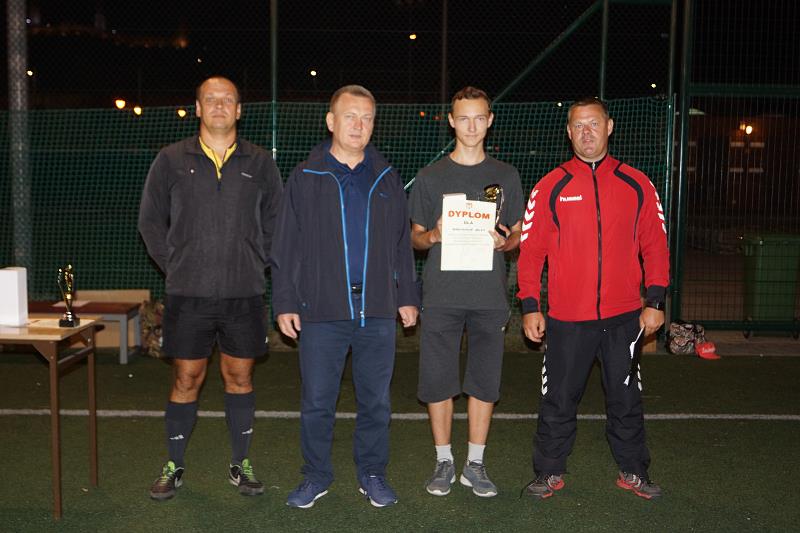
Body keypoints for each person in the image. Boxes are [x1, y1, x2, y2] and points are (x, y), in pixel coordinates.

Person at [270, 85, 419, 509]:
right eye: (350, 116)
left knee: (376, 402)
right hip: (321, 310)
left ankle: (372, 473)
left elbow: (401, 245)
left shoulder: (387, 177)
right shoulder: (305, 176)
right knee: (318, 402)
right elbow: (285, 246)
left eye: (367, 117)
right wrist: (285, 301)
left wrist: (407, 295)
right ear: (331, 121)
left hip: (377, 311)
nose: (359, 125)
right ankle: (315, 475)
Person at [517, 97, 670, 500]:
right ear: (569, 132)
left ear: (609, 127)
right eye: (579, 126)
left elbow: (655, 245)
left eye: (594, 124)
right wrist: (530, 306)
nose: (587, 133)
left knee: (626, 398)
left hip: (624, 318)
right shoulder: (550, 186)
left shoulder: (637, 183)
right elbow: (531, 253)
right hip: (568, 319)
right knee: (557, 399)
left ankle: (633, 470)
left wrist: (655, 300)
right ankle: (549, 471)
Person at [138, 76, 283, 500]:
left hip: (244, 293)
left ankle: (241, 463)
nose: (219, 105)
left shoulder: (260, 162)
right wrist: (177, 266)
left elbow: (277, 223)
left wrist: (256, 262)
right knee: (186, 378)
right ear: (198, 108)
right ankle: (174, 464)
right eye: (211, 99)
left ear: (239, 110)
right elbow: (150, 221)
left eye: (228, 99)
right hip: (188, 295)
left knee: (240, 376)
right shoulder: (170, 159)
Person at [408, 87, 524, 498]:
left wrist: (505, 243)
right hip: (442, 295)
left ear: (489, 120)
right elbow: (415, 238)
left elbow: (518, 235)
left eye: (479, 118)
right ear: (451, 121)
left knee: (484, 381)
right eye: (463, 118)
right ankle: (444, 461)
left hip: (488, 296)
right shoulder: (430, 176)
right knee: (438, 380)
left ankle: (475, 464)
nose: (471, 126)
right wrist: (434, 234)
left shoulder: (507, 175)